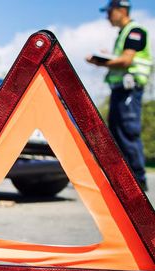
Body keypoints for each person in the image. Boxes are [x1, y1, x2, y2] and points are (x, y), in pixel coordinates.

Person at [87, 0, 153, 191]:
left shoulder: (134, 31)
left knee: (127, 131)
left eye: (109, 12)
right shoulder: (123, 34)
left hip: (129, 90)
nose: (107, 16)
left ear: (121, 10)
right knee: (117, 132)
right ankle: (124, 180)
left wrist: (101, 62)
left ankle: (137, 181)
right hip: (120, 90)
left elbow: (126, 60)